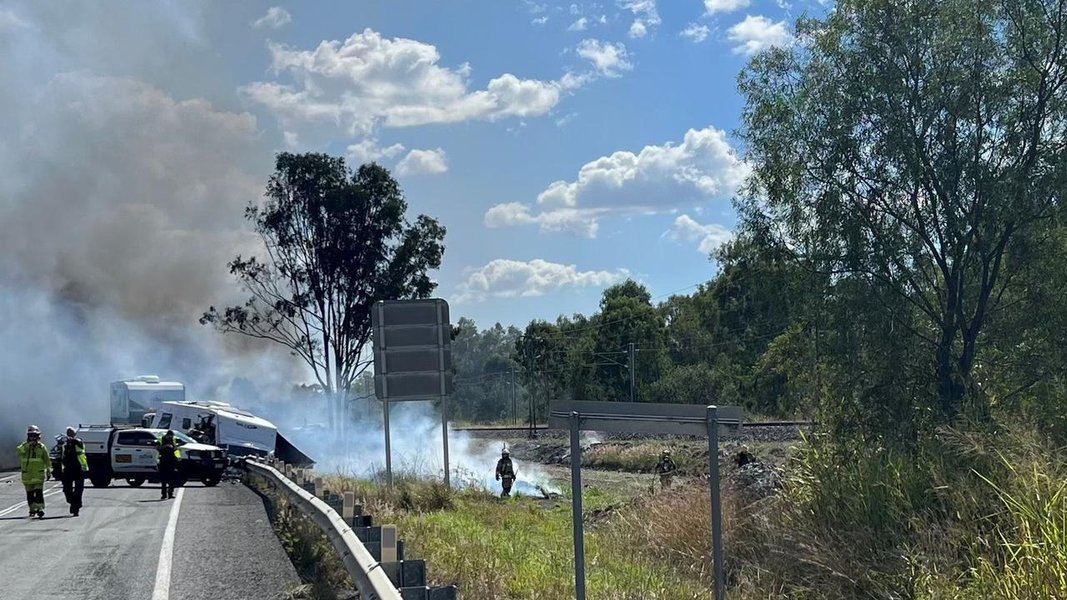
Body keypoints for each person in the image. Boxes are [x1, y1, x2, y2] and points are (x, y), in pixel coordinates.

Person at [17, 425, 51, 518]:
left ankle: (40, 509)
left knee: (39, 492)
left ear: (38, 436)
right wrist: (28, 446)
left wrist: (48, 470)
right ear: (28, 436)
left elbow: (47, 460)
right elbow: (19, 451)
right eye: (31, 436)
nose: (33, 438)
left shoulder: (41, 447)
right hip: (27, 475)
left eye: (35, 436)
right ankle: (32, 509)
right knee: (30, 494)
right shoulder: (24, 446)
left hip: (38, 475)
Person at [59, 427, 89, 517]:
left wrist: (73, 441)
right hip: (68, 469)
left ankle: (76, 507)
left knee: (78, 489)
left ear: (75, 434)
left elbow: (80, 445)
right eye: (68, 433)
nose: (70, 435)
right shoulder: (65, 444)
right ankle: (74, 502)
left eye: (71, 433)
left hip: (79, 468)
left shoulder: (78, 442)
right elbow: (62, 456)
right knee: (67, 490)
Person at [156, 430, 180, 500]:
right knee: (163, 479)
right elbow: (157, 448)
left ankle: (170, 494)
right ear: (167, 435)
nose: (170, 437)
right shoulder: (161, 439)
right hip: (163, 461)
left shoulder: (173, 440)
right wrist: (165, 446)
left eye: (171, 436)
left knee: (172, 479)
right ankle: (164, 494)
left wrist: (178, 458)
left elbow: (176, 449)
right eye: (169, 436)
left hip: (171, 461)